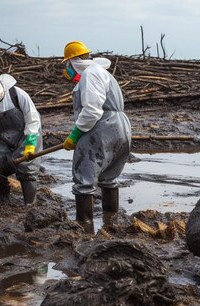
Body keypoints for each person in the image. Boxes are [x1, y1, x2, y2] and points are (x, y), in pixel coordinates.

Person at [61, 41, 132, 233]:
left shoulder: (90, 74)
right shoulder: (104, 73)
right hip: (122, 126)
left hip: (101, 129)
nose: (66, 70)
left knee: (84, 180)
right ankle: (112, 224)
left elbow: (92, 111)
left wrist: (75, 134)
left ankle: (85, 228)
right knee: (109, 177)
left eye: (66, 64)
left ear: (73, 62)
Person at [0, 66, 43, 205]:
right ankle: (0, 202)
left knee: (27, 171)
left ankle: (30, 205)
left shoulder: (17, 94)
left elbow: (32, 118)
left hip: (26, 135)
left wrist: (30, 143)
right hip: (6, 139)